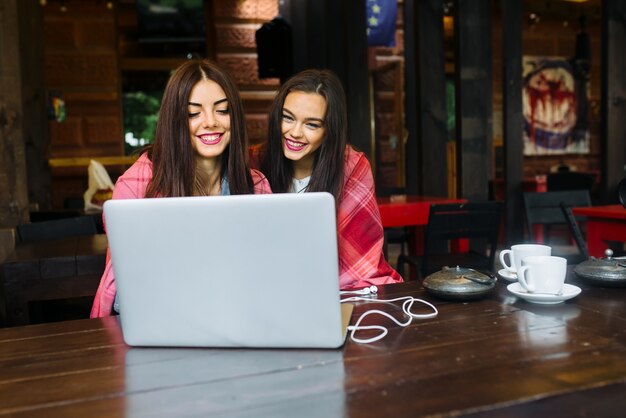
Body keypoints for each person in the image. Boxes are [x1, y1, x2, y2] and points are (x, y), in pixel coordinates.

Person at [91, 59, 272, 317]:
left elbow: (266, 275)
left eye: (222, 110)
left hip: (239, 316)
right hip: (159, 320)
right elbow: (128, 290)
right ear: (175, 120)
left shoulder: (257, 186)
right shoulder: (137, 186)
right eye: (193, 113)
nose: (210, 122)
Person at [255, 69, 403, 290]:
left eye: (312, 124)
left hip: (333, 292)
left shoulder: (351, 166)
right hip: (267, 289)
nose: (295, 132)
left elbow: (360, 261)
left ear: (328, 130)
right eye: (287, 118)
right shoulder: (255, 161)